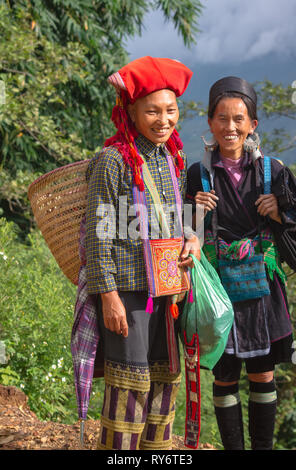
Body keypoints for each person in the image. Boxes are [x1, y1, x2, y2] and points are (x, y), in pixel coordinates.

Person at [84, 56, 201, 450]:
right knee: (129, 387)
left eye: (171, 110)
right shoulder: (112, 161)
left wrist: (192, 239)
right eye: (152, 110)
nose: (164, 120)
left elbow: (181, 216)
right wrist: (109, 296)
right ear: (130, 111)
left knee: (165, 383)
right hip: (129, 294)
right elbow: (100, 237)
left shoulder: (173, 158)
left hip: (169, 292)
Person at [186, 76, 296, 450]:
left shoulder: (275, 172)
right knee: (224, 376)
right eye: (221, 118)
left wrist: (279, 214)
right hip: (219, 291)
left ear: (253, 124)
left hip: (262, 287)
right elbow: (182, 234)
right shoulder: (197, 175)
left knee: (263, 373)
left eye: (239, 119)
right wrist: (195, 216)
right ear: (209, 122)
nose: (230, 127)